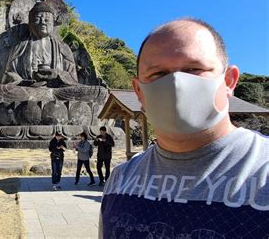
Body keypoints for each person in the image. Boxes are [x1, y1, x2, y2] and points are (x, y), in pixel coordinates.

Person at [99, 18, 269, 238]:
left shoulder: (262, 172)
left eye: (194, 69)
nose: (176, 83)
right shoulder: (120, 180)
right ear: (138, 91)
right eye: (158, 74)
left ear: (229, 81)